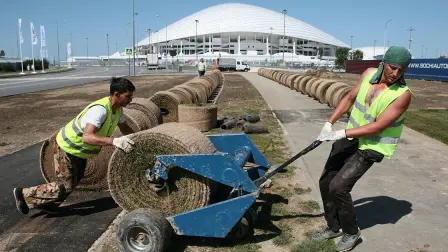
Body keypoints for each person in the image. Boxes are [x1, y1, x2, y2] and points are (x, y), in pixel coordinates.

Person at [312, 46, 413, 251]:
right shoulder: (368, 74)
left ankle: (351, 232)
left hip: (372, 146)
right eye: (393, 68)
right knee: (326, 182)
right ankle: (334, 227)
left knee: (339, 187)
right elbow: (349, 98)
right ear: (384, 63)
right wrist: (329, 123)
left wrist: (342, 133)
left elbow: (379, 126)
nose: (396, 73)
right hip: (353, 137)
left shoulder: (402, 94)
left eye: (401, 70)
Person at [13, 77, 136, 215]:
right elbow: (87, 136)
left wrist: (138, 139)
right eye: (128, 96)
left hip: (79, 152)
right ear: (116, 94)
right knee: (65, 185)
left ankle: (47, 204)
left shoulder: (118, 111)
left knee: (71, 182)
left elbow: (125, 127)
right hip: (66, 147)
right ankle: (23, 194)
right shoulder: (100, 111)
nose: (131, 99)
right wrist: (114, 141)